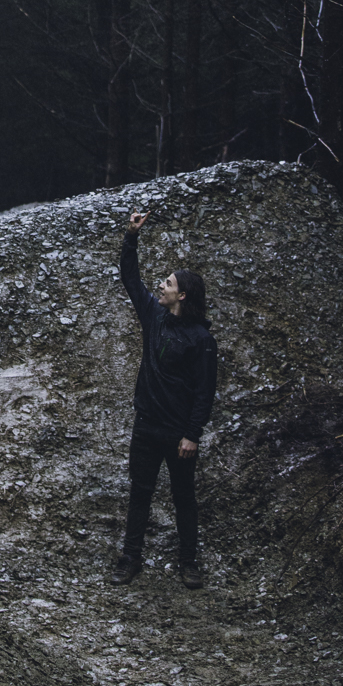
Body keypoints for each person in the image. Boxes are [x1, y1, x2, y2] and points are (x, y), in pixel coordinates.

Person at [112, 210, 218, 590]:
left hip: (178, 436)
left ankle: (189, 562)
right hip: (147, 426)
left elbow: (206, 391)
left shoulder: (201, 340)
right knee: (139, 493)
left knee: (183, 497)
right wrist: (130, 237)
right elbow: (130, 278)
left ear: (182, 295)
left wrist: (192, 434)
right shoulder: (154, 316)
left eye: (169, 282)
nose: (162, 285)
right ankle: (130, 558)